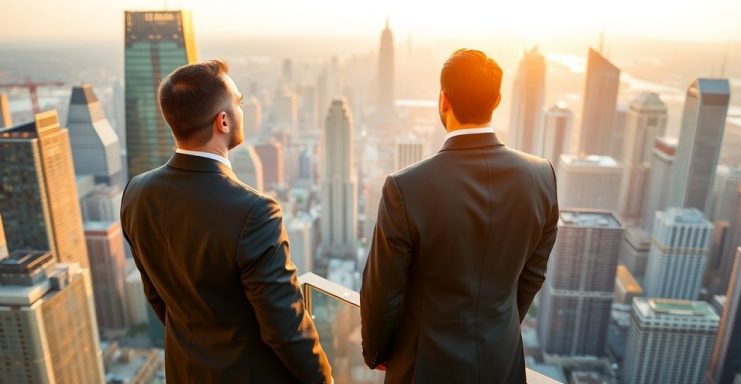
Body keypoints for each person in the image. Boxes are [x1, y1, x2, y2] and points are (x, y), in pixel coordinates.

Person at [121, 60, 332, 384]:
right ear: (222, 121)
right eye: (239, 103)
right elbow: (285, 327)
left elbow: (158, 297)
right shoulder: (254, 211)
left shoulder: (135, 193)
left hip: (184, 372)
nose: (242, 110)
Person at [360, 49, 559, 383]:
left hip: (423, 368)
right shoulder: (541, 176)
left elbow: (384, 290)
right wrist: (497, 327)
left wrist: (377, 352)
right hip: (501, 363)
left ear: (443, 100)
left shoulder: (406, 188)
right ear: (496, 100)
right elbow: (533, 274)